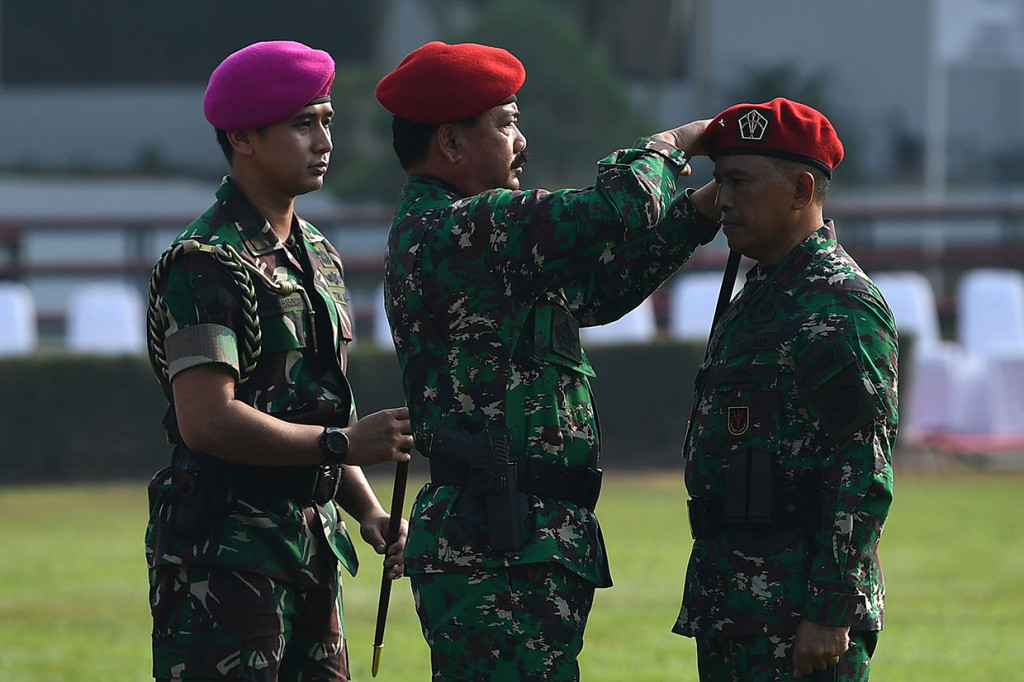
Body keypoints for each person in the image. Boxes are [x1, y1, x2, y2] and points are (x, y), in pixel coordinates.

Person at [374, 40, 721, 681]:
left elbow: (597, 292)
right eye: (505, 123)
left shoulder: (479, 243)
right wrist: (676, 141)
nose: (520, 141)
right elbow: (616, 211)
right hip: (494, 546)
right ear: (450, 144)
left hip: (520, 538)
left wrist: (698, 214)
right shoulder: (464, 227)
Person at [143, 40, 413, 682]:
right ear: (242, 137)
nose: (323, 140)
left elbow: (310, 410)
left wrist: (369, 511)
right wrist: (345, 443)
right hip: (225, 560)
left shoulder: (317, 254)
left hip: (310, 550)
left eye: (326, 121)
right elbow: (207, 421)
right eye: (301, 124)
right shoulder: (207, 262)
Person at [672, 98, 898, 681]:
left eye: (741, 182)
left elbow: (861, 465)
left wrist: (829, 610)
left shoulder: (836, 301)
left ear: (802, 191)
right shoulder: (764, 290)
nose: (722, 199)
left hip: (797, 610)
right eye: (719, 181)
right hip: (736, 603)